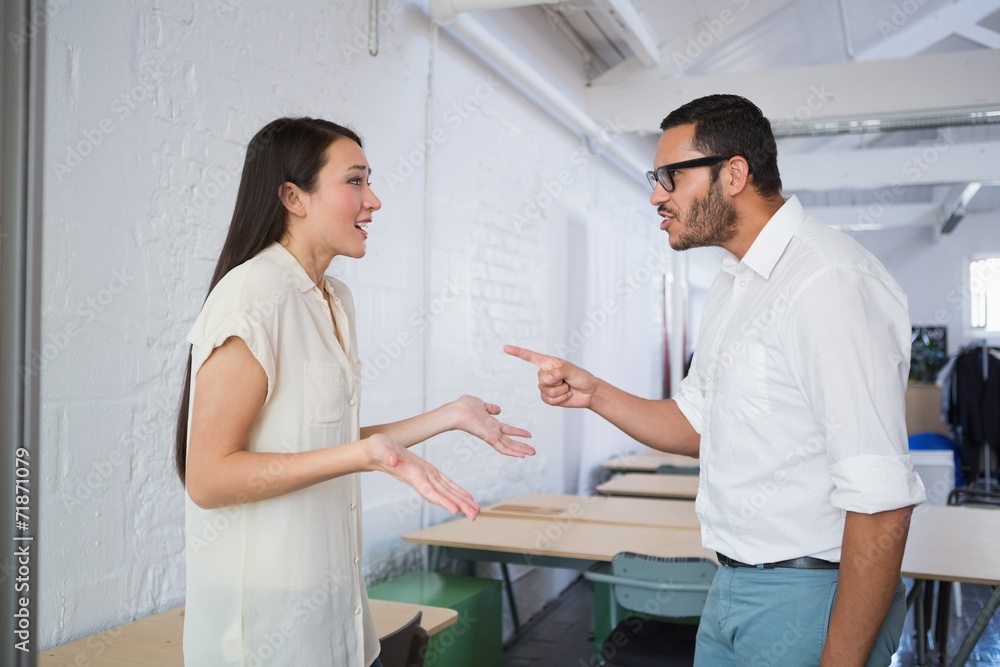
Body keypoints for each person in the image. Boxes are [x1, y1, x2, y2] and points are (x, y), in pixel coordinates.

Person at [506, 94, 926, 666]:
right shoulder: (735, 283)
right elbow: (697, 425)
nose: (657, 195)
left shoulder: (829, 281)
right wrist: (595, 394)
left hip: (810, 594)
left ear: (733, 174)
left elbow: (883, 502)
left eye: (671, 177)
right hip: (731, 582)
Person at [175, 117, 534, 667]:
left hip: (335, 619)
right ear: (293, 197)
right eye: (355, 181)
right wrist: (365, 456)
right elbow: (208, 477)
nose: (374, 200)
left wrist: (451, 415)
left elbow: (328, 443)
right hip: (266, 633)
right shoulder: (252, 292)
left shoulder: (333, 297)